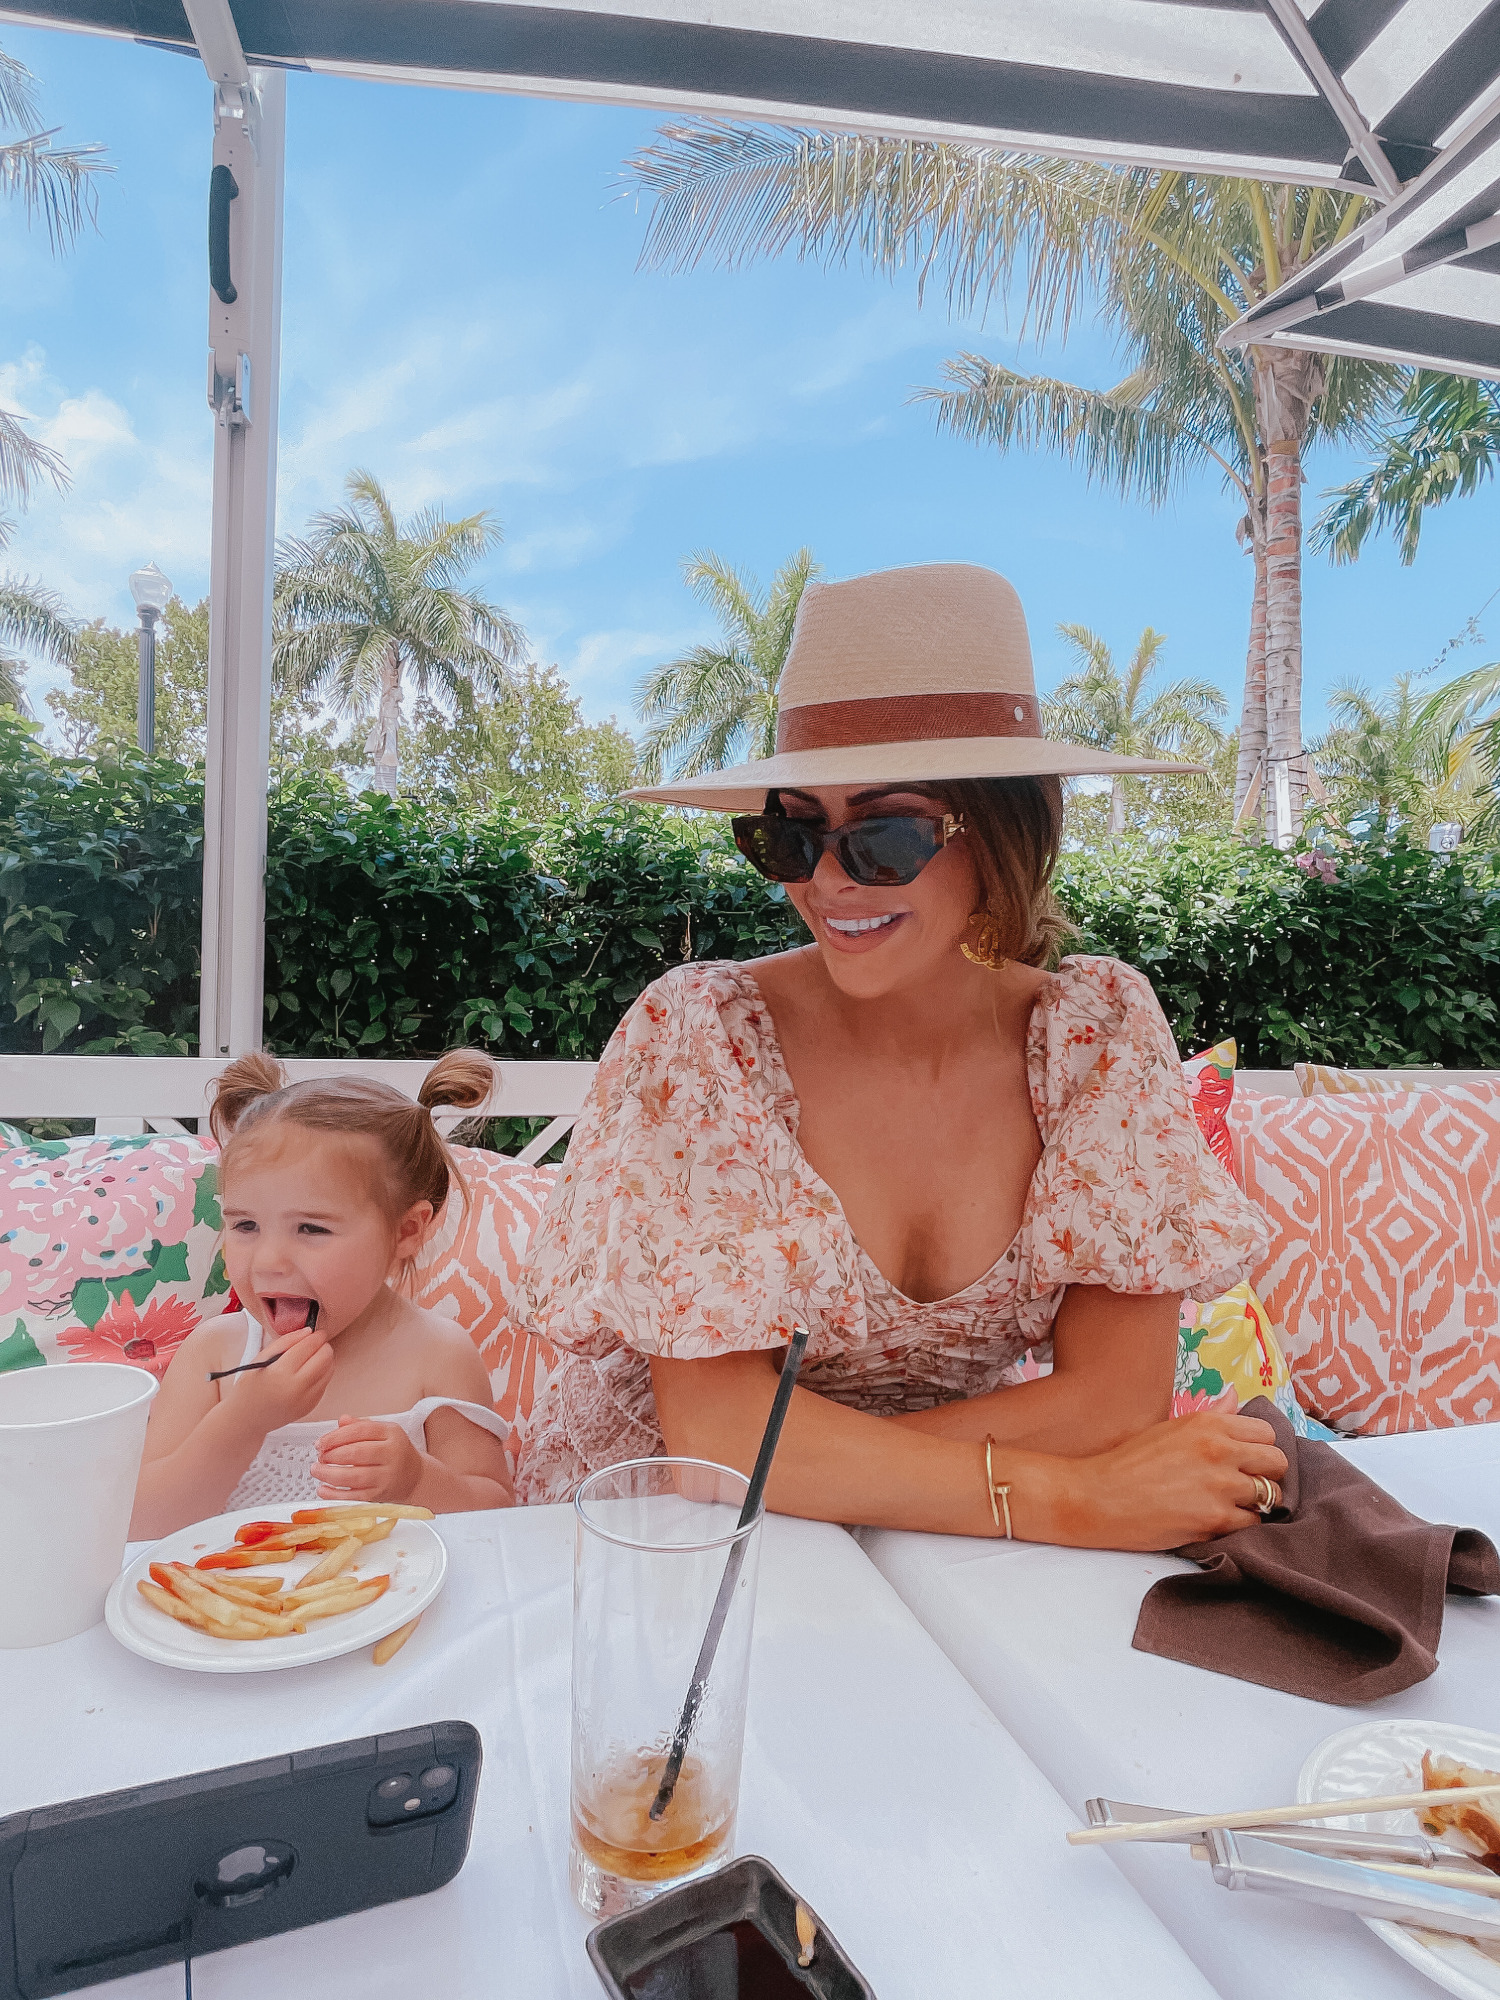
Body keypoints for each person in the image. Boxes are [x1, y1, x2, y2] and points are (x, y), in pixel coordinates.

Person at [515, 562, 1287, 1548]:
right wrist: (1063, 1496)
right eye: (790, 833)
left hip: (934, 1544)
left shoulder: (1094, 1036)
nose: (829, 880)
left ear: (1005, 825)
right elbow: (715, 1435)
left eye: (883, 835)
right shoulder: (704, 1036)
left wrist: (835, 1468)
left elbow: (1117, 1400)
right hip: (655, 1539)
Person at [131, 1052, 514, 1537]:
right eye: (245, 1224)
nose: (268, 1260)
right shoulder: (215, 1353)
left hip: (389, 1596)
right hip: (236, 1599)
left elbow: (499, 1512)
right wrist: (245, 1420)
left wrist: (418, 1480)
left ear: (406, 1231)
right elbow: (141, 1525)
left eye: (311, 1228)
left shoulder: (437, 1354)